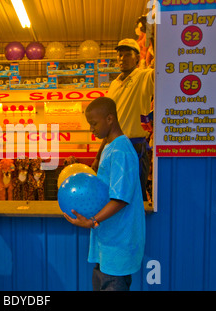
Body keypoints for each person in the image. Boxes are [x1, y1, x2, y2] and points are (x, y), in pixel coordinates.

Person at [64, 97, 145, 291]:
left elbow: (120, 198)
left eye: (94, 124)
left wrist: (92, 221)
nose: (91, 129)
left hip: (118, 246)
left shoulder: (121, 152)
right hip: (106, 245)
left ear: (110, 119)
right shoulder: (109, 147)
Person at [92, 38, 154, 201]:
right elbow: (108, 123)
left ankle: (138, 226)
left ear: (137, 58)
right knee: (112, 196)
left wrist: (156, 39)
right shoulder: (113, 84)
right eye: (120, 55)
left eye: (128, 55)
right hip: (111, 147)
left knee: (133, 198)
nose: (122, 58)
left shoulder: (144, 76)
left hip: (133, 147)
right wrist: (99, 156)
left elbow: (159, 74)